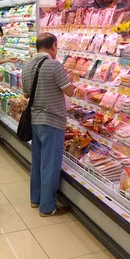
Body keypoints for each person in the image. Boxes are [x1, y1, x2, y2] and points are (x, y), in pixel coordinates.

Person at [22, 33, 75, 217]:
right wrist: (73, 81)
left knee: (37, 162)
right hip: (52, 121)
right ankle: (47, 207)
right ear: (52, 45)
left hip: (35, 121)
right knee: (50, 165)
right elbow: (69, 91)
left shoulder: (27, 66)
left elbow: (26, 94)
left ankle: (34, 199)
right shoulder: (54, 65)